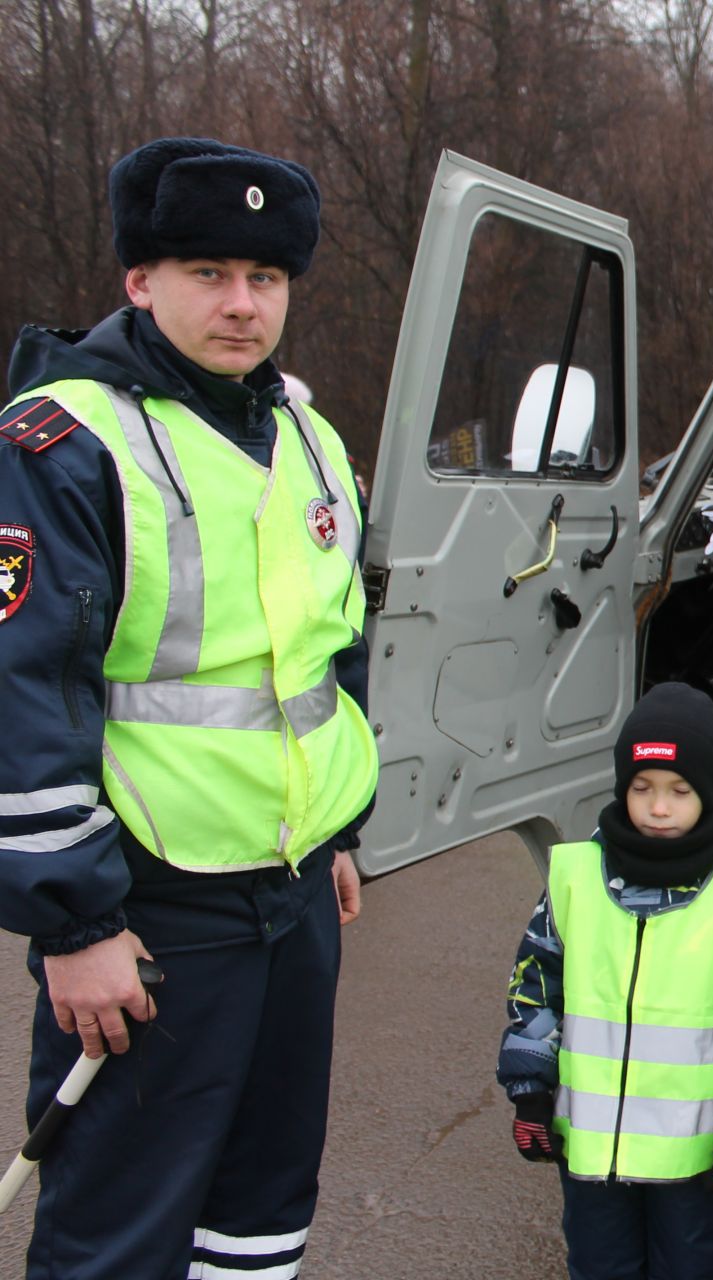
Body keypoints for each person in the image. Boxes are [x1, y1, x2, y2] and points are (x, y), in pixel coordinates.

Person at [0, 137, 378, 1278]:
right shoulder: (64, 442)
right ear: (140, 281)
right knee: (122, 1214)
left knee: (261, 1206)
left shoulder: (312, 438)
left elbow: (333, 649)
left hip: (294, 885)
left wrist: (339, 830)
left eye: (264, 279)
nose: (240, 302)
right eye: (208, 272)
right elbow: (25, 687)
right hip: (153, 903)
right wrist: (71, 923)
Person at [498, 682, 713, 1280]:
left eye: (680, 792)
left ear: (709, 792)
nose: (659, 808)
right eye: (642, 789)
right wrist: (530, 1087)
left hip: (694, 1156)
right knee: (599, 1264)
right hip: (592, 1148)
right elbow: (536, 984)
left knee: (693, 1267)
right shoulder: (576, 875)